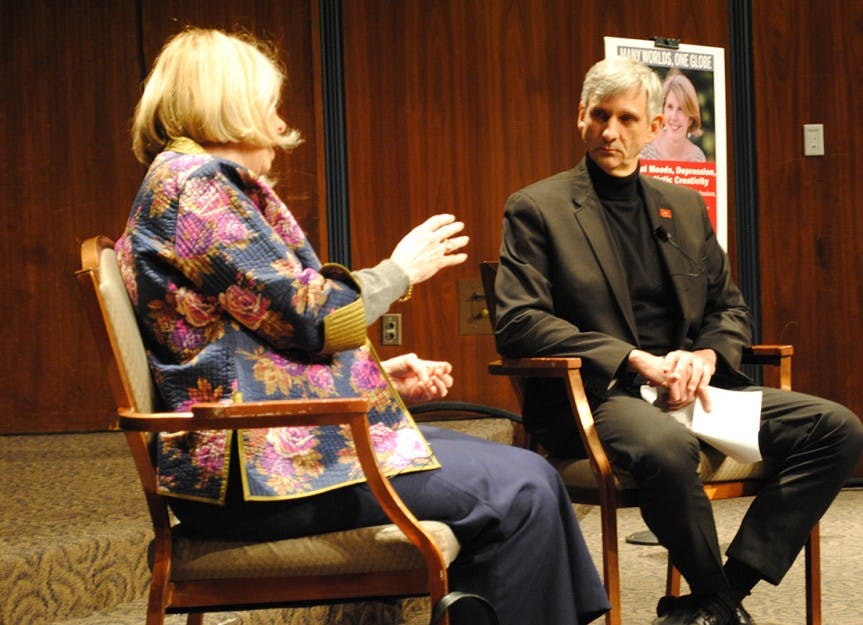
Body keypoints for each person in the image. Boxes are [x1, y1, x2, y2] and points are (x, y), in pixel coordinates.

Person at [118, 27, 609, 625]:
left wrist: (377, 377)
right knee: (525, 488)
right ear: (229, 102)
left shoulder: (181, 184)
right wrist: (400, 270)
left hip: (268, 455)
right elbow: (309, 315)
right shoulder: (195, 188)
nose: (277, 127)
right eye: (266, 104)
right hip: (252, 480)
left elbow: (253, 335)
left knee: (527, 475)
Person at [493, 56, 863, 625]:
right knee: (667, 449)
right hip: (602, 395)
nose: (610, 132)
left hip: (696, 390)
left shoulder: (684, 206)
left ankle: (718, 596)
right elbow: (519, 321)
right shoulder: (537, 208)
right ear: (580, 118)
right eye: (599, 116)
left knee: (837, 429)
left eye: (625, 119)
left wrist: (706, 355)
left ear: (652, 128)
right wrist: (633, 358)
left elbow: (729, 308)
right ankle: (718, 603)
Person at [639, 68, 706, 162]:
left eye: (681, 109)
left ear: (690, 118)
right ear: (663, 110)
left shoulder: (698, 158)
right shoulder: (645, 146)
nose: (674, 117)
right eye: (670, 107)